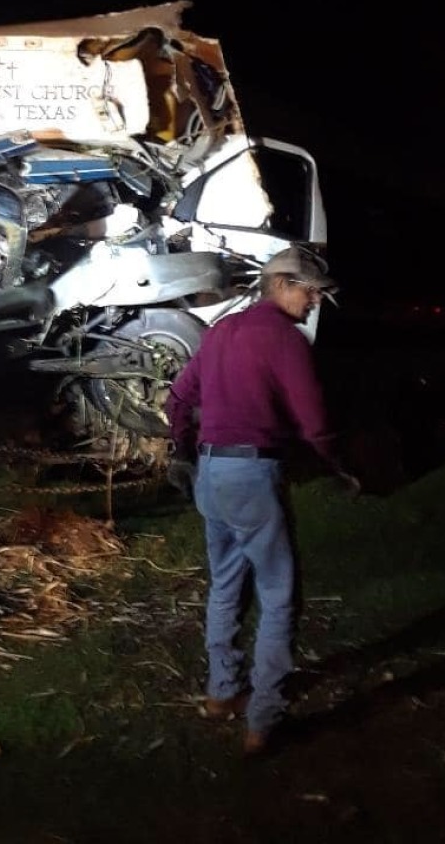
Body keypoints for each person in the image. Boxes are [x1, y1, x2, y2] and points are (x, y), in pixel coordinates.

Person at [165, 245, 360, 756]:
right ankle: (263, 719)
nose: (315, 301)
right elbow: (314, 422)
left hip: (211, 471)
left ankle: (221, 693)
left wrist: (182, 449)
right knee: (278, 593)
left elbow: (178, 397)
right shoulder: (285, 340)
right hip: (252, 473)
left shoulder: (221, 332)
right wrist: (338, 465)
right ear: (279, 284)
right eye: (310, 290)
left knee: (226, 582)